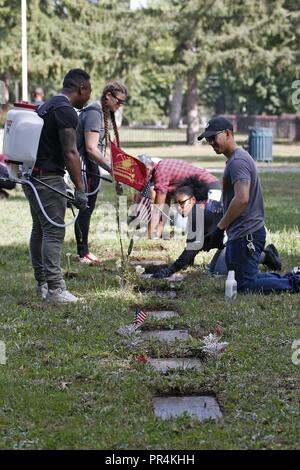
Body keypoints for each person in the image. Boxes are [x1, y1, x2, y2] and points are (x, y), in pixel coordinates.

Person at [197, 116, 300, 294]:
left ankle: (294, 284)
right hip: (244, 233)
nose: (211, 142)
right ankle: (293, 278)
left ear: (228, 133)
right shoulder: (236, 159)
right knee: (243, 278)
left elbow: (242, 198)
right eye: (208, 139)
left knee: (244, 285)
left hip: (247, 235)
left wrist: (220, 228)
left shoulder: (238, 161)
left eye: (213, 137)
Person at [23, 69, 91, 302]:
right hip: (47, 177)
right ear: (81, 88)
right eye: (89, 90)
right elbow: (70, 152)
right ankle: (55, 289)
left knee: (40, 229)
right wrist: (80, 188)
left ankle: (42, 284)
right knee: (53, 231)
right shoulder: (65, 111)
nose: (89, 95)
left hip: (32, 175)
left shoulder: (47, 105)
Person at [152, 176, 282, 278]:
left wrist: (171, 270)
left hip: (248, 236)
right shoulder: (199, 209)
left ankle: (267, 256)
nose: (179, 208)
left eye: (181, 203)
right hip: (236, 239)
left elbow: (192, 248)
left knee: (220, 272)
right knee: (212, 269)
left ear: (192, 200)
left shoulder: (198, 213)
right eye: (176, 204)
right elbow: (197, 243)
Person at [75, 80, 128, 264]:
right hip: (85, 167)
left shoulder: (102, 113)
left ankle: (83, 251)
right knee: (85, 210)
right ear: (108, 96)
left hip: (91, 167)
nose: (120, 105)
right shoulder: (94, 113)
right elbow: (90, 148)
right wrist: (111, 170)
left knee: (87, 210)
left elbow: (100, 147)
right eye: (119, 101)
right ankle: (83, 253)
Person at [138, 155, 221, 238]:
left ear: (147, 169)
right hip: (209, 188)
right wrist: (158, 232)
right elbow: (164, 208)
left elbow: (158, 209)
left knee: (207, 230)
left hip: (210, 189)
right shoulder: (161, 169)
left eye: (140, 174)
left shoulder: (160, 172)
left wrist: (147, 237)